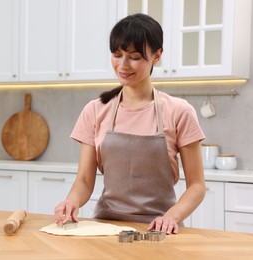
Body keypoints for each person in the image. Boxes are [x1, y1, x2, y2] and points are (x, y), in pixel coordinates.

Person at [54, 13, 206, 234]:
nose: (123, 65)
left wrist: (171, 216)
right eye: (117, 54)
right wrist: (71, 202)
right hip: (106, 228)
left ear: (157, 55)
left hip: (160, 229)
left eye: (134, 56)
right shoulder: (95, 110)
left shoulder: (179, 111)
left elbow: (197, 185)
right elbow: (85, 180)